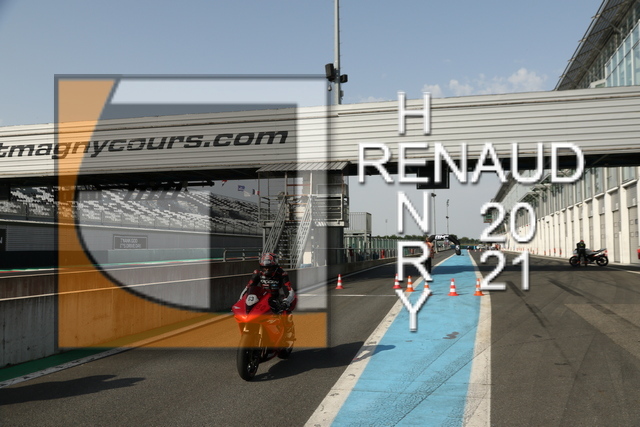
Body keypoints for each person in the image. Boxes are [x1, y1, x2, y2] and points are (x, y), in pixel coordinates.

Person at [242, 252, 296, 339]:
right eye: (264, 267)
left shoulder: (282, 273)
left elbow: (289, 289)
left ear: (274, 266)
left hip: (276, 298)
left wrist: (286, 301)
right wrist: (242, 300)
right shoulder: (257, 273)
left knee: (286, 313)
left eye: (269, 267)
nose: (266, 270)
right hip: (262, 298)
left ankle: (287, 335)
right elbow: (248, 288)